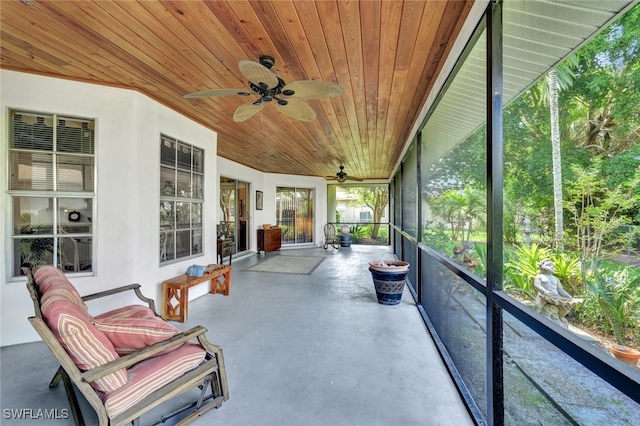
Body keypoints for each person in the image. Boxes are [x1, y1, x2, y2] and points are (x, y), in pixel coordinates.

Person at [533, 259, 581, 325]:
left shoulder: (556, 279)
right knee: (537, 305)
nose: (552, 267)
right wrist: (545, 291)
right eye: (549, 265)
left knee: (566, 308)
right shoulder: (539, 276)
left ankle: (560, 317)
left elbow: (560, 289)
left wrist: (568, 296)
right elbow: (537, 285)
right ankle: (533, 318)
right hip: (543, 296)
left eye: (552, 265)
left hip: (556, 297)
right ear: (542, 267)